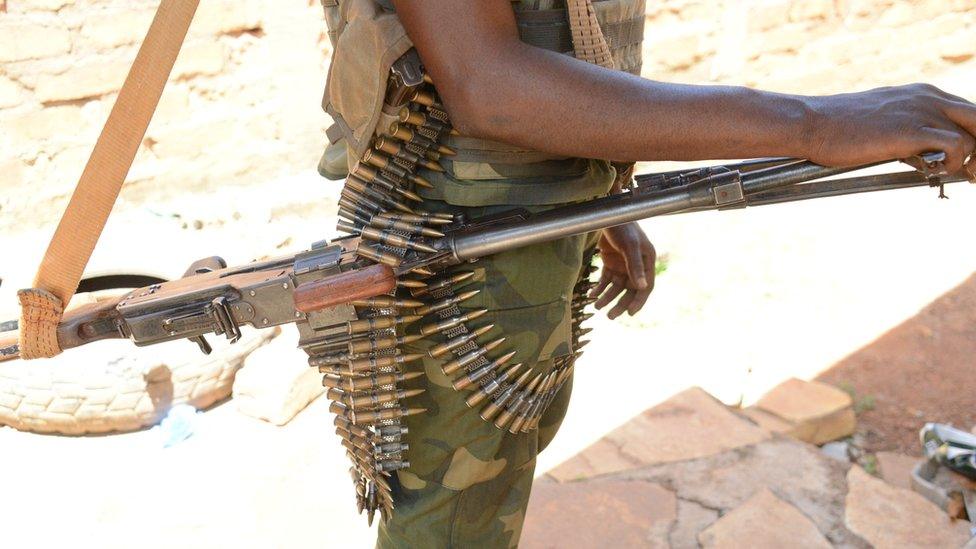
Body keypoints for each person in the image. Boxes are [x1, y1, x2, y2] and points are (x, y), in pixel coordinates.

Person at [320, 1, 976, 546]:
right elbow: (487, 84)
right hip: (457, 241)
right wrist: (813, 123)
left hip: (536, 213)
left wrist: (607, 190)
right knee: (451, 522)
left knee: (500, 473)